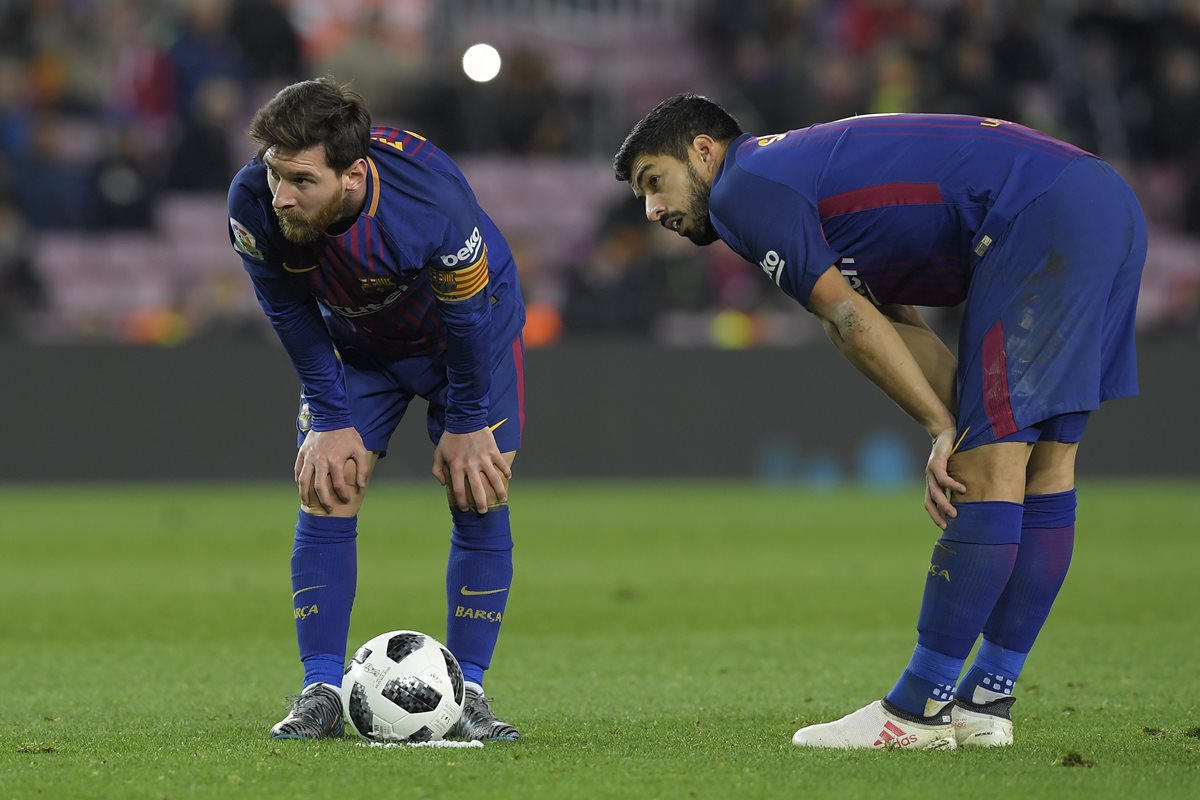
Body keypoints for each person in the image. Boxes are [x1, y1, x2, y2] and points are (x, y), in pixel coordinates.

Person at [613, 95, 1145, 749]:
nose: (653, 210)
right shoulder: (803, 176)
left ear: (702, 150)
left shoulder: (742, 190)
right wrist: (956, 420)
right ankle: (986, 701)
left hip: (1036, 216)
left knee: (991, 465)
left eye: (653, 182)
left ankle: (916, 711)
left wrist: (943, 431)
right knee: (1046, 464)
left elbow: (848, 319)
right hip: (1099, 200)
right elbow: (892, 318)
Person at [227, 78, 526, 741]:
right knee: (328, 485)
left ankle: (468, 693)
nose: (279, 196)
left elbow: (469, 316)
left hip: (466, 339)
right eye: (275, 174)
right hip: (360, 347)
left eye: (301, 180)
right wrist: (330, 420)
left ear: (354, 173)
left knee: (478, 487)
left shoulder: (431, 198)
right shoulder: (252, 203)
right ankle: (322, 690)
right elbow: (288, 311)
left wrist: (468, 419)